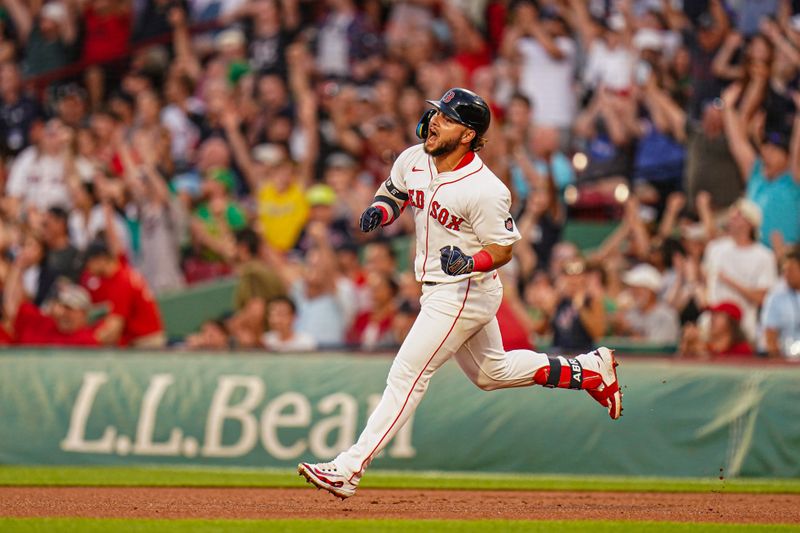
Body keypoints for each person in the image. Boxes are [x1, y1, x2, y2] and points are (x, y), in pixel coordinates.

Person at [297, 88, 621, 500]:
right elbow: (395, 190)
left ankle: (349, 467)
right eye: (435, 113)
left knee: (407, 375)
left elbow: (503, 249)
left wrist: (470, 263)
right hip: (437, 288)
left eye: (446, 118)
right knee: (491, 374)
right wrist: (381, 209)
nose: (433, 121)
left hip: (464, 289)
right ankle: (587, 370)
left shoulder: (486, 188)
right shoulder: (414, 158)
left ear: (467, 134)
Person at [80, 239, 166, 347]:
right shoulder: (120, 274)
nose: (88, 270)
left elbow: (114, 329)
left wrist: (86, 342)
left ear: (101, 259)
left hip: (146, 342)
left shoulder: (121, 281)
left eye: (89, 264)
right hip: (142, 338)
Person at [761, 245, 800, 359]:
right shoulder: (775, 297)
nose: (787, 275)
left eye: (791, 270)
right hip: (785, 358)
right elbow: (770, 334)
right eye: (785, 271)